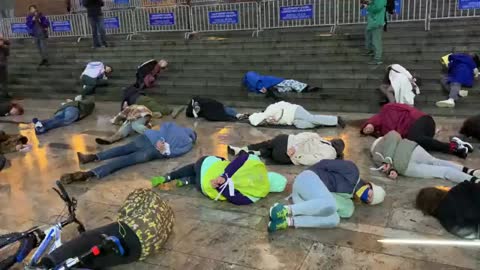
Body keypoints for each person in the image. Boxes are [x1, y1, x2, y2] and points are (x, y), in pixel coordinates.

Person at [40, 188, 174, 268]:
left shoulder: (143, 194)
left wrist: (122, 216)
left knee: (86, 240)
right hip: (141, 251)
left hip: (133, 228)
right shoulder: (168, 215)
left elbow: (125, 211)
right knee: (93, 260)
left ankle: (47, 262)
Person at [267, 160, 386, 232]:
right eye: (371, 194)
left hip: (304, 200)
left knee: (334, 219)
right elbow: (324, 163)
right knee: (330, 203)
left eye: (369, 200)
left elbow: (332, 208)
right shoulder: (352, 171)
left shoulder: (348, 200)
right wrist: (310, 178)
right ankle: (284, 210)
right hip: (308, 178)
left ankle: (287, 222)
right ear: (370, 186)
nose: (368, 197)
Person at [60, 122, 196, 183]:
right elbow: (176, 153)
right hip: (154, 151)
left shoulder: (173, 125)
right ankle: (89, 174)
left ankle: (91, 157)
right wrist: (165, 150)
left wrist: (160, 140)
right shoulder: (189, 143)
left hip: (147, 138)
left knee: (122, 149)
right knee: (125, 161)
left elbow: (162, 129)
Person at [151, 151, 287, 205]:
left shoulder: (258, 165)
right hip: (205, 187)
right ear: (271, 189)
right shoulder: (258, 194)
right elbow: (236, 199)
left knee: (195, 167)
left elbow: (241, 158)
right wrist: (221, 186)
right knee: (200, 179)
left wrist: (224, 175)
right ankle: (187, 181)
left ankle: (169, 176)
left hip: (205, 166)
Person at [361, 103, 472, 158]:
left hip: (421, 121)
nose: (368, 130)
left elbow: (407, 108)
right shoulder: (384, 132)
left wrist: (369, 124)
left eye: (366, 128)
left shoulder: (387, 109)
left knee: (414, 139)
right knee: (415, 145)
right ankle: (457, 146)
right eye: (366, 132)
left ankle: (453, 147)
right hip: (423, 131)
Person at [370, 130, 480, 183]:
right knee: (438, 163)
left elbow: (385, 164)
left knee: (442, 170)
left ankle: (473, 178)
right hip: (411, 153)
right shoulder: (382, 149)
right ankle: (471, 173)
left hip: (406, 163)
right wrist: (391, 170)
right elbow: (386, 167)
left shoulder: (385, 145)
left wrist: (389, 165)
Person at [227, 133, 345, 166]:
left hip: (285, 140)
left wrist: (294, 147)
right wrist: (295, 155)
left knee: (267, 144)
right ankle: (253, 154)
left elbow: (305, 136)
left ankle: (243, 150)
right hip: (285, 155)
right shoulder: (330, 154)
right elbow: (314, 160)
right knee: (271, 154)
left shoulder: (319, 138)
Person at [248, 101, 345, 129]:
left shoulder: (270, 109)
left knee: (311, 118)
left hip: (295, 111)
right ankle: (321, 122)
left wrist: (274, 118)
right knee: (302, 125)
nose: (263, 123)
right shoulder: (268, 119)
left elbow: (282, 106)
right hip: (293, 120)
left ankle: (336, 119)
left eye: (261, 122)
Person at [243, 71, 319, 94]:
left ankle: (303, 88)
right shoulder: (249, 74)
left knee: (287, 86)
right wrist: (261, 87)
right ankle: (305, 88)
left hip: (271, 83)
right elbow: (256, 81)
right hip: (271, 83)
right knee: (290, 82)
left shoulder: (250, 79)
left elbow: (255, 83)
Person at [361, 0, 386, 65]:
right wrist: (369, 3)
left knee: (376, 40)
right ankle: (370, 50)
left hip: (377, 22)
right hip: (372, 21)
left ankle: (377, 59)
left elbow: (377, 8)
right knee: (368, 35)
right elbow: (375, 4)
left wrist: (368, 7)